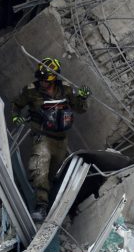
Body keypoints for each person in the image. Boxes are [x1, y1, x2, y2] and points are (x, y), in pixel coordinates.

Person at [11, 57, 90, 221]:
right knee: (40, 168)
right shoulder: (30, 91)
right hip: (42, 137)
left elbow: (80, 109)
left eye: (46, 80)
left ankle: (50, 201)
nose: (43, 83)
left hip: (61, 139)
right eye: (41, 79)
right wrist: (15, 118)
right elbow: (16, 106)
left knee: (52, 174)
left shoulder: (66, 89)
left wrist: (82, 98)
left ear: (54, 78)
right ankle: (41, 207)